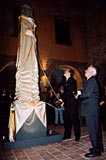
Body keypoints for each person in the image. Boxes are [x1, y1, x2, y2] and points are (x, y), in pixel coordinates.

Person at [78, 65, 104, 158]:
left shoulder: (91, 80)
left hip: (91, 110)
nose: (85, 70)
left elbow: (87, 94)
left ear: (92, 72)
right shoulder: (92, 81)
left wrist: (79, 95)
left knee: (93, 130)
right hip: (93, 109)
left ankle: (96, 151)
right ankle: (98, 147)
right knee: (96, 129)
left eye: (87, 69)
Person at [62, 68, 80, 141]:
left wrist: (62, 99)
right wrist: (63, 100)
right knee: (67, 120)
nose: (64, 71)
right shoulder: (65, 81)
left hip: (72, 104)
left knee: (75, 120)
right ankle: (67, 135)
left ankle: (77, 136)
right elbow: (65, 93)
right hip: (67, 104)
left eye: (66, 70)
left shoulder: (72, 81)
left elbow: (69, 92)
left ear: (69, 73)